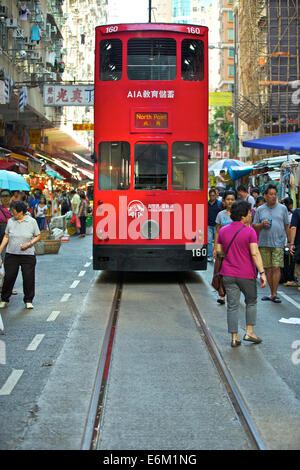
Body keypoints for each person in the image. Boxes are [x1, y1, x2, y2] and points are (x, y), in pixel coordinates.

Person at [217, 200, 267, 347]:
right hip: (246, 274)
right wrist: (262, 273)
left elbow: (219, 252)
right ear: (244, 216)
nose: (251, 215)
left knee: (232, 305)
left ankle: (234, 337)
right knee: (251, 302)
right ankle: (249, 332)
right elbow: (255, 253)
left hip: (228, 274)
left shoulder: (223, 231)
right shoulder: (250, 232)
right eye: (249, 213)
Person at [253, 184, 291, 303]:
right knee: (268, 268)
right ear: (265, 196)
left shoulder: (283, 208)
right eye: (271, 194)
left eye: (275, 194)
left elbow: (287, 225)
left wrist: (290, 242)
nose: (273, 196)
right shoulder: (260, 209)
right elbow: (254, 226)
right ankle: (271, 293)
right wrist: (262, 225)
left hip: (278, 242)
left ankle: (275, 293)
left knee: (276, 267)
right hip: (264, 243)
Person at [0, 201, 41, 309]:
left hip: (27, 255)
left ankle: (28, 300)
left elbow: (38, 236)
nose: (13, 214)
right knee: (9, 277)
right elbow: (6, 236)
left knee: (28, 277)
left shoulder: (32, 221)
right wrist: (0, 249)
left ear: (21, 212)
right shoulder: (10, 221)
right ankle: (4, 299)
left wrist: (29, 244)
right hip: (11, 254)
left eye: (14, 212)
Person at [212, 190, 236, 304]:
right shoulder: (220, 214)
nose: (230, 201)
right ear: (224, 201)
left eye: (232, 199)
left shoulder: (239, 214)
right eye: (228, 199)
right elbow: (217, 232)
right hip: (222, 247)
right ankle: (222, 294)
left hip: (235, 248)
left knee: (233, 272)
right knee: (221, 271)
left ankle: (233, 293)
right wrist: (215, 247)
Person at [207, 188, 221, 262]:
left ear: (216, 196)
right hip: (208, 225)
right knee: (209, 241)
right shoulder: (206, 203)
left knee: (217, 241)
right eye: (210, 195)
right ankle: (209, 255)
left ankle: (217, 255)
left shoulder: (219, 204)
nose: (212, 197)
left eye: (213, 195)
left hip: (217, 225)